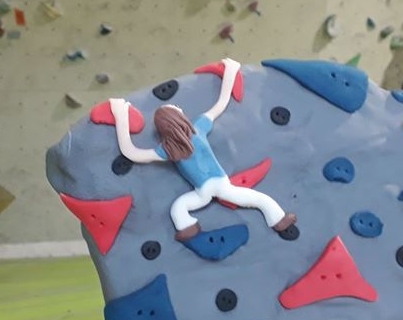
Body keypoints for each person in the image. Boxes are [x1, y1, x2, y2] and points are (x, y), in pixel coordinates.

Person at [108, 58, 297, 242]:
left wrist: (120, 116)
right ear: (180, 118)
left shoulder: (168, 149)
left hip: (202, 191)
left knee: (179, 207)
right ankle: (279, 220)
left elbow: (130, 152)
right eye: (177, 109)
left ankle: (188, 228)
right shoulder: (198, 128)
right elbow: (221, 104)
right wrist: (231, 71)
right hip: (221, 184)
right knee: (257, 199)